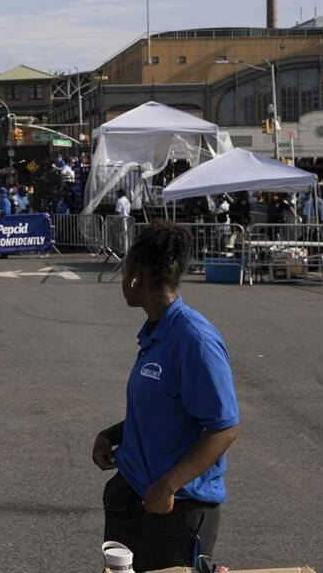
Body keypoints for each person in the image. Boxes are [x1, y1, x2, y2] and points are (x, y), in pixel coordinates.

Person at [92, 223, 239, 571]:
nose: (121, 279)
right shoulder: (156, 332)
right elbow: (160, 412)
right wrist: (111, 436)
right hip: (131, 497)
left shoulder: (194, 340)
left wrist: (169, 484)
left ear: (136, 277)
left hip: (175, 510)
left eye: (124, 269)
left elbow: (224, 427)